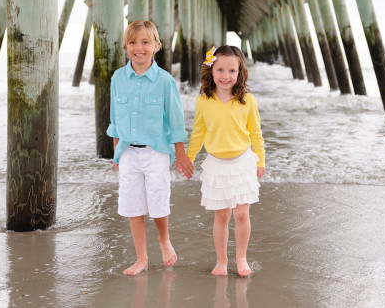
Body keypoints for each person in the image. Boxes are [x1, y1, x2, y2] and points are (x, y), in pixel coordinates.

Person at [107, 20, 195, 276]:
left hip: (156, 151)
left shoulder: (165, 81)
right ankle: (141, 259)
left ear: (156, 46)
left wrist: (180, 153)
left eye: (145, 42)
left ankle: (164, 239)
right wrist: (116, 153)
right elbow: (115, 119)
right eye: (133, 42)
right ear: (126, 46)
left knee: (158, 201)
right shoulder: (117, 78)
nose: (139, 48)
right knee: (133, 205)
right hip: (128, 152)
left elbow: (176, 121)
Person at [186, 45, 266, 277]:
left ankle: (241, 258)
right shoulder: (204, 101)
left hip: (242, 163)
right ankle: (221, 261)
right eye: (220, 69)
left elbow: (256, 133)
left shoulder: (247, 101)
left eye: (232, 70)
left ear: (240, 72)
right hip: (216, 165)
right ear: (211, 70)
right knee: (221, 216)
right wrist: (189, 158)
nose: (226, 76)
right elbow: (198, 132)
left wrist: (261, 160)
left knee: (242, 214)